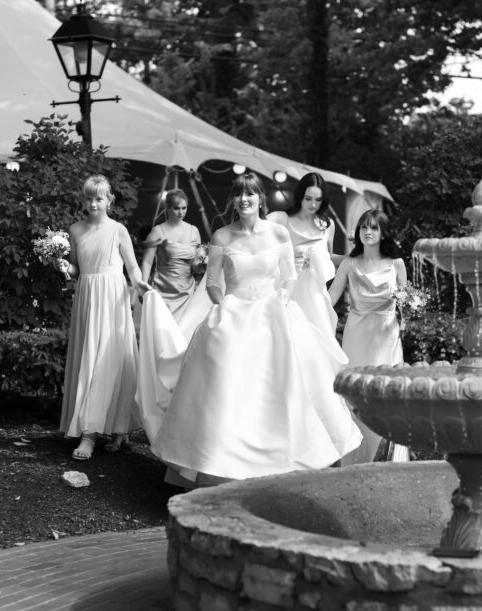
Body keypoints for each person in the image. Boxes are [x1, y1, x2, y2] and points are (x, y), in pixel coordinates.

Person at [140, 171, 361, 487]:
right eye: (239, 195)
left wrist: (282, 299)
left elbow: (289, 276)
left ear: (260, 200)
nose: (244, 200)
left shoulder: (278, 234)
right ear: (234, 199)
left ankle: (283, 466)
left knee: (283, 386)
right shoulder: (222, 237)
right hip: (234, 313)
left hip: (273, 313)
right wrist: (223, 304)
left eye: (250, 195)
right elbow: (214, 281)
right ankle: (221, 465)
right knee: (226, 386)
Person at [55, 175, 150, 460]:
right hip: (87, 297)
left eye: (99, 198)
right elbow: (76, 269)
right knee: (89, 358)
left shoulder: (118, 230)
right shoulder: (75, 230)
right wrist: (62, 266)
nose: (93, 203)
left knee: (109, 359)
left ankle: (94, 433)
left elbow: (132, 268)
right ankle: (99, 429)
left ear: (109, 200)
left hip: (112, 298)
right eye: (88, 198)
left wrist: (141, 284)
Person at [329, 208, 409, 463]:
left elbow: (406, 300)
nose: (368, 232)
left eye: (374, 227)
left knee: (386, 391)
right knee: (355, 391)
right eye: (364, 227)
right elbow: (329, 299)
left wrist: (407, 315)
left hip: (386, 334)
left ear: (383, 232)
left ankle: (390, 456)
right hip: (357, 333)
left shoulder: (396, 264)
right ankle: (355, 457)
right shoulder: (350, 264)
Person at [268, 172, 345, 365]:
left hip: (315, 295)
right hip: (287, 290)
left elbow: (330, 257)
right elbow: (256, 237)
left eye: (318, 199)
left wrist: (360, 256)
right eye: (308, 198)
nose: (313, 204)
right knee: (288, 344)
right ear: (300, 196)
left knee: (318, 347)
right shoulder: (280, 219)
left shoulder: (328, 225)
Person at [140, 188, 205, 321]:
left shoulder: (194, 231)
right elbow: (147, 262)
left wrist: (203, 265)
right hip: (163, 292)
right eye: (176, 208)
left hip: (187, 292)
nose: (181, 212)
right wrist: (142, 287)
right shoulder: (158, 231)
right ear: (167, 208)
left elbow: (195, 265)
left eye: (184, 208)